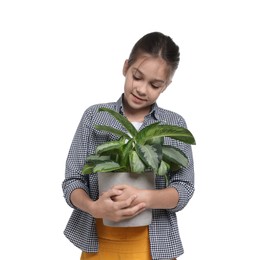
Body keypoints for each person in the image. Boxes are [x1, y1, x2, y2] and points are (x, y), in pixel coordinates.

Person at [62, 31, 195, 260]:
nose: (142, 89)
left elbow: (184, 187)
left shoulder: (173, 124)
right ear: (126, 67)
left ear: (166, 85)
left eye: (154, 84)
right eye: (137, 76)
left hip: (155, 245)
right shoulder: (95, 116)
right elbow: (72, 181)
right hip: (99, 242)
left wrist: (145, 197)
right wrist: (94, 207)